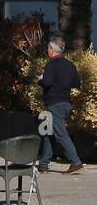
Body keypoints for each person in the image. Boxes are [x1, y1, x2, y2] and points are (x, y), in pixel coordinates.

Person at [39, 37, 84, 174]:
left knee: (60, 133)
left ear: (52, 50)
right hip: (65, 102)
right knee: (48, 132)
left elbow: (46, 83)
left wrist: (40, 80)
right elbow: (76, 83)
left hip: (54, 103)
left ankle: (75, 161)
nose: (47, 51)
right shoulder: (70, 65)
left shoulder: (51, 65)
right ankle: (43, 164)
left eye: (48, 48)